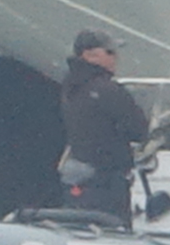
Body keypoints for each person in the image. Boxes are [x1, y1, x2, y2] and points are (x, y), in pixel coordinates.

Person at [58, 28, 147, 223]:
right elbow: (138, 130)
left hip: (77, 176)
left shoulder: (69, 87)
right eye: (111, 52)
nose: (116, 58)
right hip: (107, 182)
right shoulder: (108, 90)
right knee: (114, 228)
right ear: (91, 55)